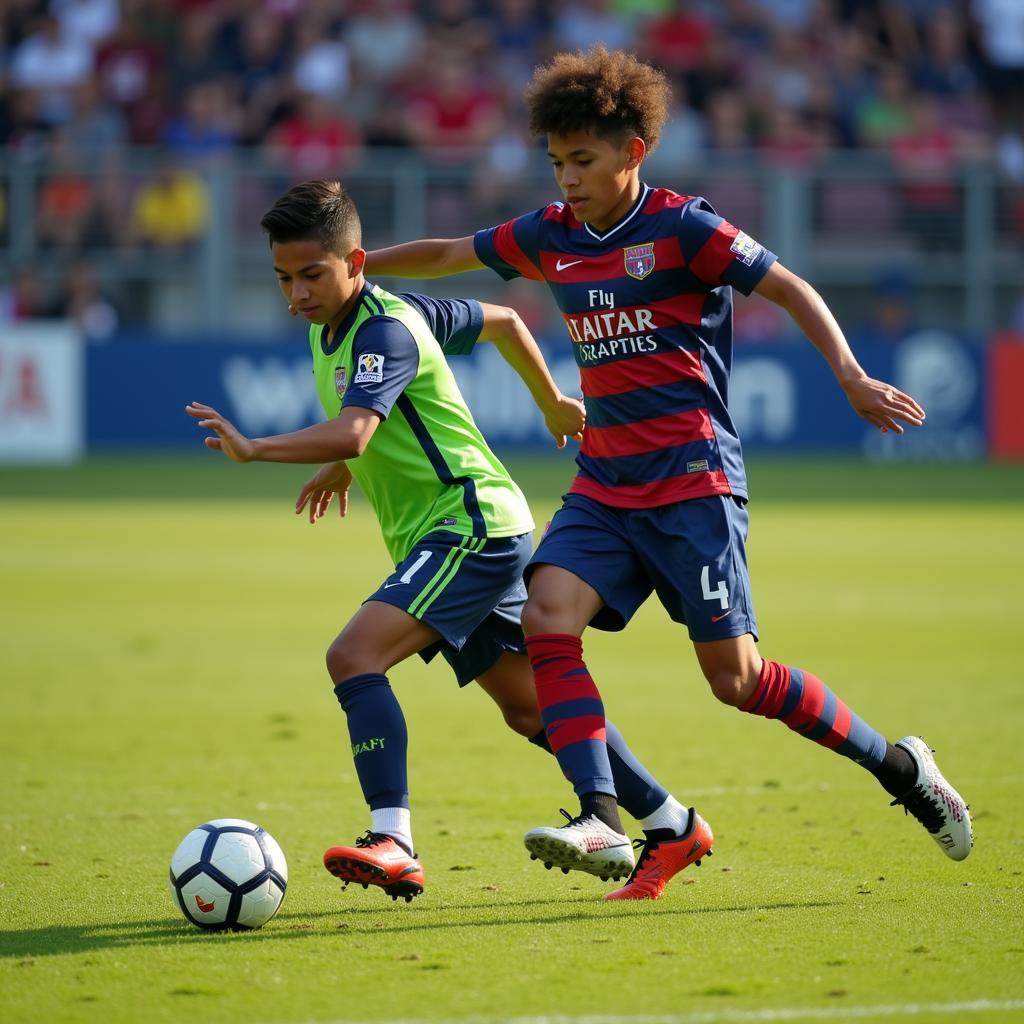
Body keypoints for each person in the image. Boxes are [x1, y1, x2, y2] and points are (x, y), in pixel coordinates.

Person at [364, 46, 974, 901]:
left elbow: (791, 286)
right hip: (606, 482)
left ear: (633, 152)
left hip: (693, 483)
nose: (568, 178)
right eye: (557, 161)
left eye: (584, 160)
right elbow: (450, 253)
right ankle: (602, 818)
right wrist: (363, 266)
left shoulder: (685, 227)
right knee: (547, 619)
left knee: (739, 682)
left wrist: (848, 374)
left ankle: (899, 766)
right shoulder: (550, 235)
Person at [186, 178, 693, 902]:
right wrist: (548, 403)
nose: (296, 293)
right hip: (461, 530)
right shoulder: (363, 321)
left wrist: (258, 447)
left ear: (356, 262)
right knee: (530, 709)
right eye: (283, 278)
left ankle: (394, 840)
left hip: (470, 527)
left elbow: (362, 424)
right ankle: (671, 823)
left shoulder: (384, 330)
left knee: (353, 656)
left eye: (312, 275)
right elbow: (504, 326)